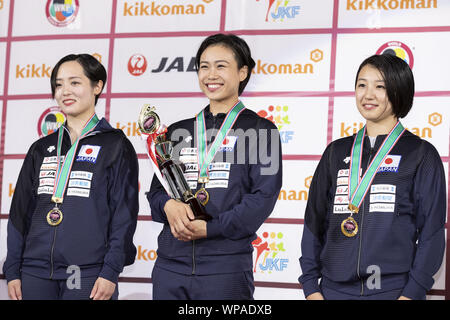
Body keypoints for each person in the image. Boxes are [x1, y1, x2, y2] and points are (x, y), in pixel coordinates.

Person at [299, 53, 446, 300]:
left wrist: (411, 293)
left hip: (392, 292)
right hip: (332, 291)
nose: (368, 94)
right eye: (362, 85)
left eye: (380, 86)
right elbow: (314, 221)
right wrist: (311, 288)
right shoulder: (335, 152)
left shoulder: (421, 154)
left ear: (399, 90)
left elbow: (431, 233)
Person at [147, 33, 283, 300]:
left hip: (225, 267)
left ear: (243, 72)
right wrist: (168, 206)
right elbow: (155, 192)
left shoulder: (262, 130)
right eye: (204, 66)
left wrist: (211, 228)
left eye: (221, 66)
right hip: (170, 265)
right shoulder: (177, 131)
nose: (211, 74)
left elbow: (263, 198)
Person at [3, 54, 139, 300]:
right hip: (34, 272)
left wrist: (110, 271)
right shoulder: (41, 148)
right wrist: (12, 269)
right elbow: (19, 212)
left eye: (75, 82)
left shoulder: (116, 145)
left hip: (88, 273)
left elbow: (124, 215)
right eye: (58, 84)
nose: (65, 91)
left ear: (97, 86)